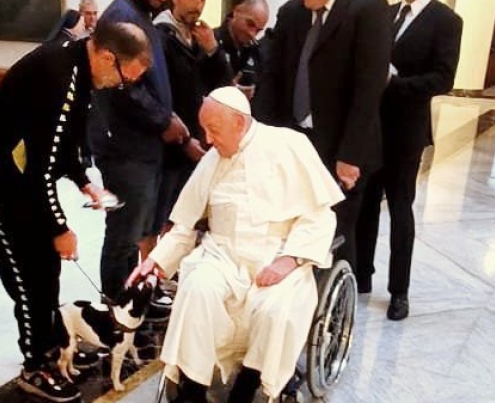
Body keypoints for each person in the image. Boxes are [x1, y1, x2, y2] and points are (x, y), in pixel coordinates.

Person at [129, 86, 344, 402]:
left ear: (239, 123)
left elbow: (319, 215)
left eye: (213, 130)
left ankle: (249, 383)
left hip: (278, 255)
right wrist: (156, 262)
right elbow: (184, 225)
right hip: (222, 255)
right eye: (203, 129)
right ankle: (193, 387)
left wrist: (290, 260)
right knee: (196, 291)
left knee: (277, 310)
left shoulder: (290, 145)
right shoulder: (213, 159)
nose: (207, 140)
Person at [0, 21, 150, 402]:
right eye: (124, 78)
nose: (120, 85)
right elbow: (38, 167)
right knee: (30, 280)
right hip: (6, 185)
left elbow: (65, 142)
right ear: (109, 57)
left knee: (47, 273)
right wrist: (59, 227)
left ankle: (51, 349)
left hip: (27, 181)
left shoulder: (79, 68)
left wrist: (83, 180)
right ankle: (35, 364)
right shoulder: (58, 76)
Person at [260, 0, 391, 289]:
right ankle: (290, 308)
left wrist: (349, 156)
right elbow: (273, 81)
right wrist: (261, 139)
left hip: (343, 151)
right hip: (297, 145)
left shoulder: (369, 9)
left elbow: (369, 89)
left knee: (332, 236)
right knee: (292, 232)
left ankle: (327, 315)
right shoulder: (291, 14)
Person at [356, 0, 463, 320]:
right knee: (366, 205)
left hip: (406, 133)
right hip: (373, 130)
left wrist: (395, 84)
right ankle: (361, 276)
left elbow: (443, 78)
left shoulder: (446, 21)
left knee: (400, 209)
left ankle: (399, 291)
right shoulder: (385, 14)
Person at [89, 0, 189, 299]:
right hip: (125, 147)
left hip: (142, 146)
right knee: (123, 235)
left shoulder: (141, 15)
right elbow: (123, 88)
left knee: (133, 236)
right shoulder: (122, 17)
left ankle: (128, 308)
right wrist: (165, 120)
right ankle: (116, 311)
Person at [153, 0, 230, 237]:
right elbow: (160, 96)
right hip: (169, 144)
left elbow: (222, 88)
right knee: (162, 218)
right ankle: (156, 274)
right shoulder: (160, 35)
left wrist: (213, 51)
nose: (198, 4)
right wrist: (183, 140)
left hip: (196, 142)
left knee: (188, 218)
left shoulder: (199, 37)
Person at [214, 0, 269, 101]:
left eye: (258, 30)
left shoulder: (256, 52)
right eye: (250, 24)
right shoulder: (211, 42)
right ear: (236, 11)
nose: (252, 34)